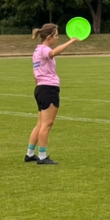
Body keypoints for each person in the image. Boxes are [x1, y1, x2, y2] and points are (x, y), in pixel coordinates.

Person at [25, 23, 76, 166]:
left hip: (40, 88)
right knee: (46, 124)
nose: (57, 38)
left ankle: (30, 154)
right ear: (49, 37)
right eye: (56, 35)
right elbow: (53, 53)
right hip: (48, 89)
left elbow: (35, 73)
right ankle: (42, 157)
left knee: (40, 124)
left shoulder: (37, 51)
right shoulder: (44, 50)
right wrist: (71, 41)